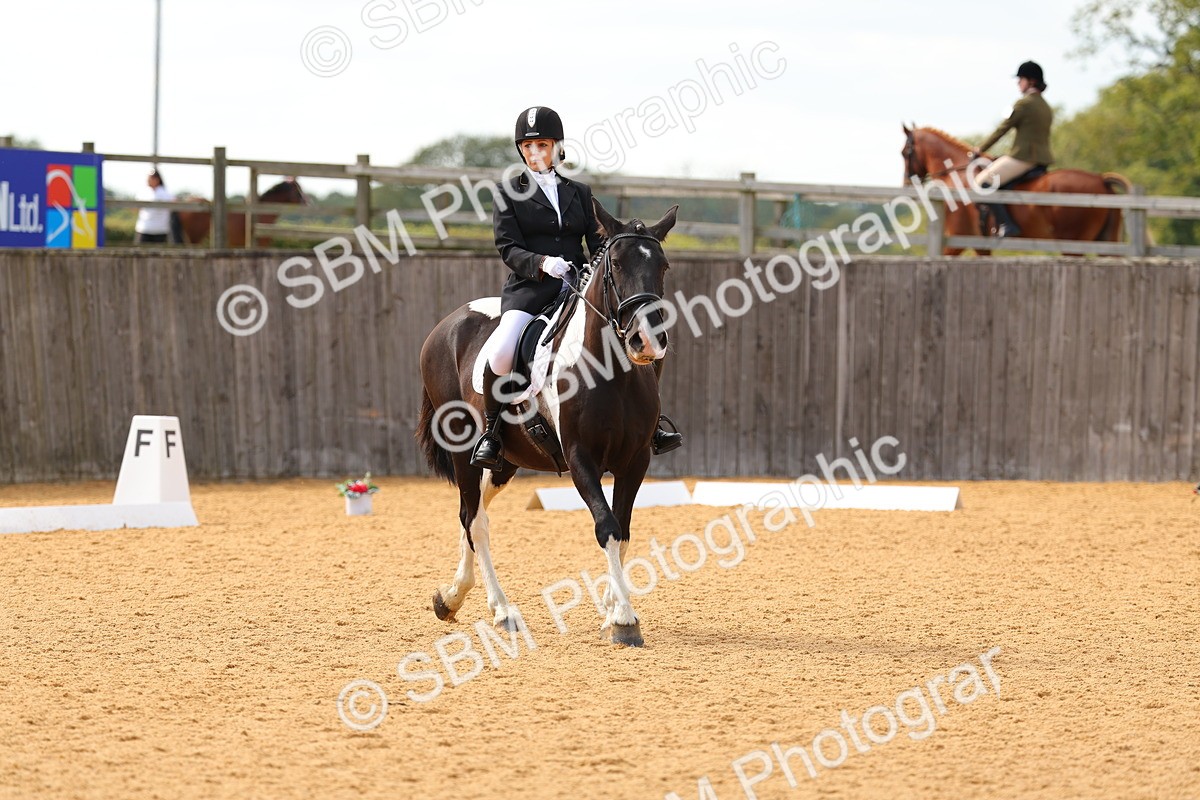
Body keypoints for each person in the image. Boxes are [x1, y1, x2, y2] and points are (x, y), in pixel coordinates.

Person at [471, 105, 683, 469]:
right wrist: (541, 263)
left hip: (578, 289)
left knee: (640, 339)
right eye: (528, 146)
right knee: (503, 350)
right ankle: (491, 432)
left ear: (557, 147)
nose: (535, 152)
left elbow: (597, 243)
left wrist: (593, 269)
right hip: (530, 291)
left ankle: (652, 425)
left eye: (543, 144)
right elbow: (507, 247)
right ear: (521, 150)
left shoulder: (579, 192)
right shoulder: (508, 192)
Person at [969, 61, 1054, 238]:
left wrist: (980, 149)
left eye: (1020, 79)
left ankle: (1007, 224)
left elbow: (1002, 129)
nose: (1018, 83)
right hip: (1042, 159)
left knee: (981, 183)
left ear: (1030, 81)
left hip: (1023, 158)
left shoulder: (1023, 104)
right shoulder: (1046, 106)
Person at [134, 169, 175, 244]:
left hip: (160, 230)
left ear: (157, 179)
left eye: (150, 178)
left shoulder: (165, 194)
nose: (148, 180)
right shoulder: (143, 192)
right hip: (145, 228)